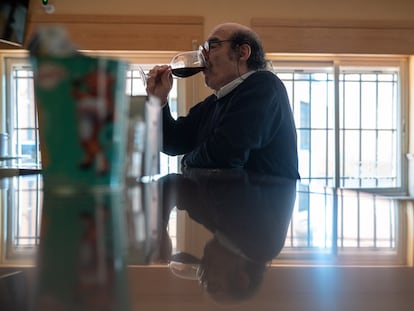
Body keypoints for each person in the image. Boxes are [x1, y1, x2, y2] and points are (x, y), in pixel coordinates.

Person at [146, 22, 299, 178]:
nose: (203, 57)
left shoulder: (264, 85)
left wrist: (187, 160)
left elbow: (225, 152)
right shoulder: (213, 103)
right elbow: (172, 143)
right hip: (233, 200)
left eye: (212, 46)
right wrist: (158, 101)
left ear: (242, 52)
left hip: (267, 200)